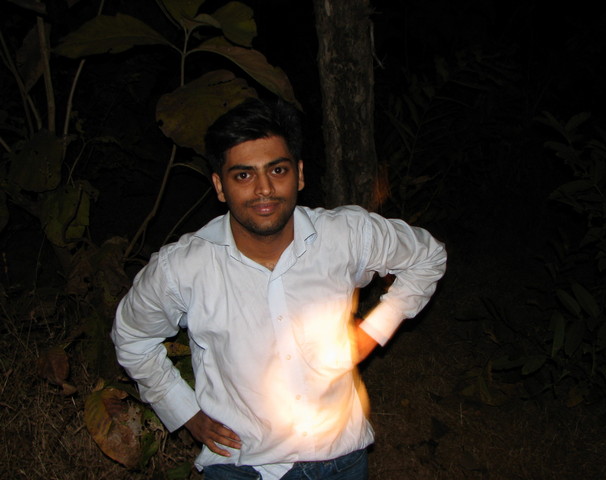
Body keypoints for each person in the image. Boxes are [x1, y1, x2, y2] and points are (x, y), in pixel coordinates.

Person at [111, 98, 447, 480]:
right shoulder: (184, 268)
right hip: (241, 466)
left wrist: (373, 332)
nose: (264, 189)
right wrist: (184, 411)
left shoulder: (345, 236)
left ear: (299, 175)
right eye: (243, 175)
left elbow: (427, 257)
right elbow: (132, 337)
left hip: (341, 459)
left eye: (277, 169)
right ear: (220, 186)